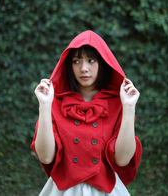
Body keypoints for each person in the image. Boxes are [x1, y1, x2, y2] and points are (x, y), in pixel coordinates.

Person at [31, 30, 142, 196]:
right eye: (76, 61)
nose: (83, 68)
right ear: (69, 65)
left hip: (106, 191)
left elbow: (123, 159)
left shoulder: (119, 103)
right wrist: (45, 105)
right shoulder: (55, 102)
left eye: (91, 60)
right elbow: (46, 157)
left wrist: (129, 107)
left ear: (103, 63)